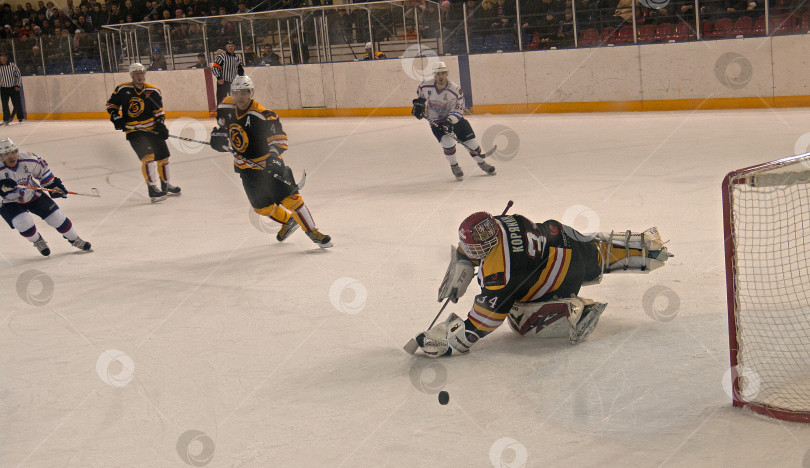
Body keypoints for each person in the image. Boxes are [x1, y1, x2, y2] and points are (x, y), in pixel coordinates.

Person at [415, 211, 672, 357]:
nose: (467, 251)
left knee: (519, 319)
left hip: (561, 274)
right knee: (595, 253)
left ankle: (575, 309)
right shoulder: (501, 222)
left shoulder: (500, 271)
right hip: (565, 238)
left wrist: (449, 343)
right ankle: (648, 248)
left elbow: (485, 320)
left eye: (472, 250)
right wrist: (463, 261)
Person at [209, 75, 332, 248]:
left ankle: (313, 232)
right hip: (245, 169)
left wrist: (273, 158)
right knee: (261, 208)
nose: (240, 97)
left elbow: (279, 140)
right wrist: (218, 136)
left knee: (292, 200)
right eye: (237, 93)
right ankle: (288, 221)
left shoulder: (263, 115)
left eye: (244, 92)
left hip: (267, 166)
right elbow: (223, 127)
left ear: (251, 93)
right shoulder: (227, 107)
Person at [0, 138, 91, 256]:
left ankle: (75, 239)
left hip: (32, 195)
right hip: (8, 202)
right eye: (7, 154)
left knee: (57, 217)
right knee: (23, 223)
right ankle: (37, 240)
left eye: (13, 152)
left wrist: (54, 186)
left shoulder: (28, 159)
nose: (12, 157)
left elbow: (43, 174)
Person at [106, 63, 181, 203]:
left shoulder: (153, 91)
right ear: (131, 75)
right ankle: (152, 189)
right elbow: (111, 105)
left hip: (152, 130)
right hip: (134, 131)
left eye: (141, 73)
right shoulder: (123, 89)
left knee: (164, 157)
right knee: (148, 158)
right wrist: (115, 116)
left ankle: (165, 186)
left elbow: (159, 112)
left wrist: (160, 125)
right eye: (136, 74)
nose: (139, 76)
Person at [411, 61, 495, 180]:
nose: (441, 76)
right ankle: (454, 166)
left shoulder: (455, 90)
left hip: (455, 119)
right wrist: (418, 105)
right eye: (439, 74)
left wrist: (449, 122)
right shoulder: (425, 85)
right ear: (434, 75)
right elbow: (421, 96)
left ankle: (482, 163)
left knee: (471, 142)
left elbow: (458, 110)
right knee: (448, 143)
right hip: (436, 120)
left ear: (447, 74)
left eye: (444, 73)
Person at [0, 53, 23, 125]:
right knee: (4, 104)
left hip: (13, 87)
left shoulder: (12, 65)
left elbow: (18, 75)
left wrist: (17, 85)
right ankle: (6, 119)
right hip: (3, 88)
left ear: (7, 58)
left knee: (17, 103)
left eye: (4, 58)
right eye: (2, 58)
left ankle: (19, 117)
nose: (3, 59)